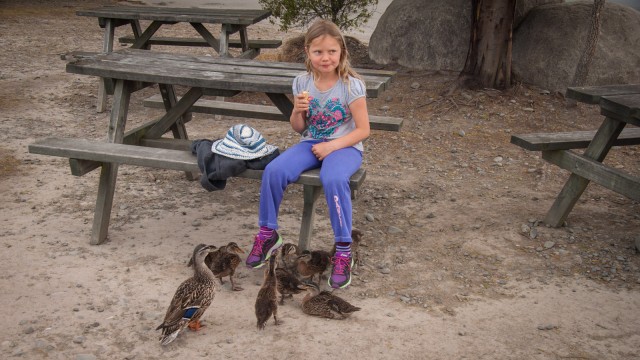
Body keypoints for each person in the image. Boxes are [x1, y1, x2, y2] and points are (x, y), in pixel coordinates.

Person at [245, 19, 370, 289]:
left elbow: (363, 130)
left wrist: (332, 146)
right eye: (318, 52)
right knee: (274, 170)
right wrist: (297, 110)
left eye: (331, 52)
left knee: (333, 178)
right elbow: (299, 128)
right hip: (310, 142)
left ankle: (344, 250)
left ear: (342, 53)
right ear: (307, 52)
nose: (325, 58)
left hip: (345, 147)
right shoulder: (302, 81)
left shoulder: (351, 85)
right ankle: (268, 233)